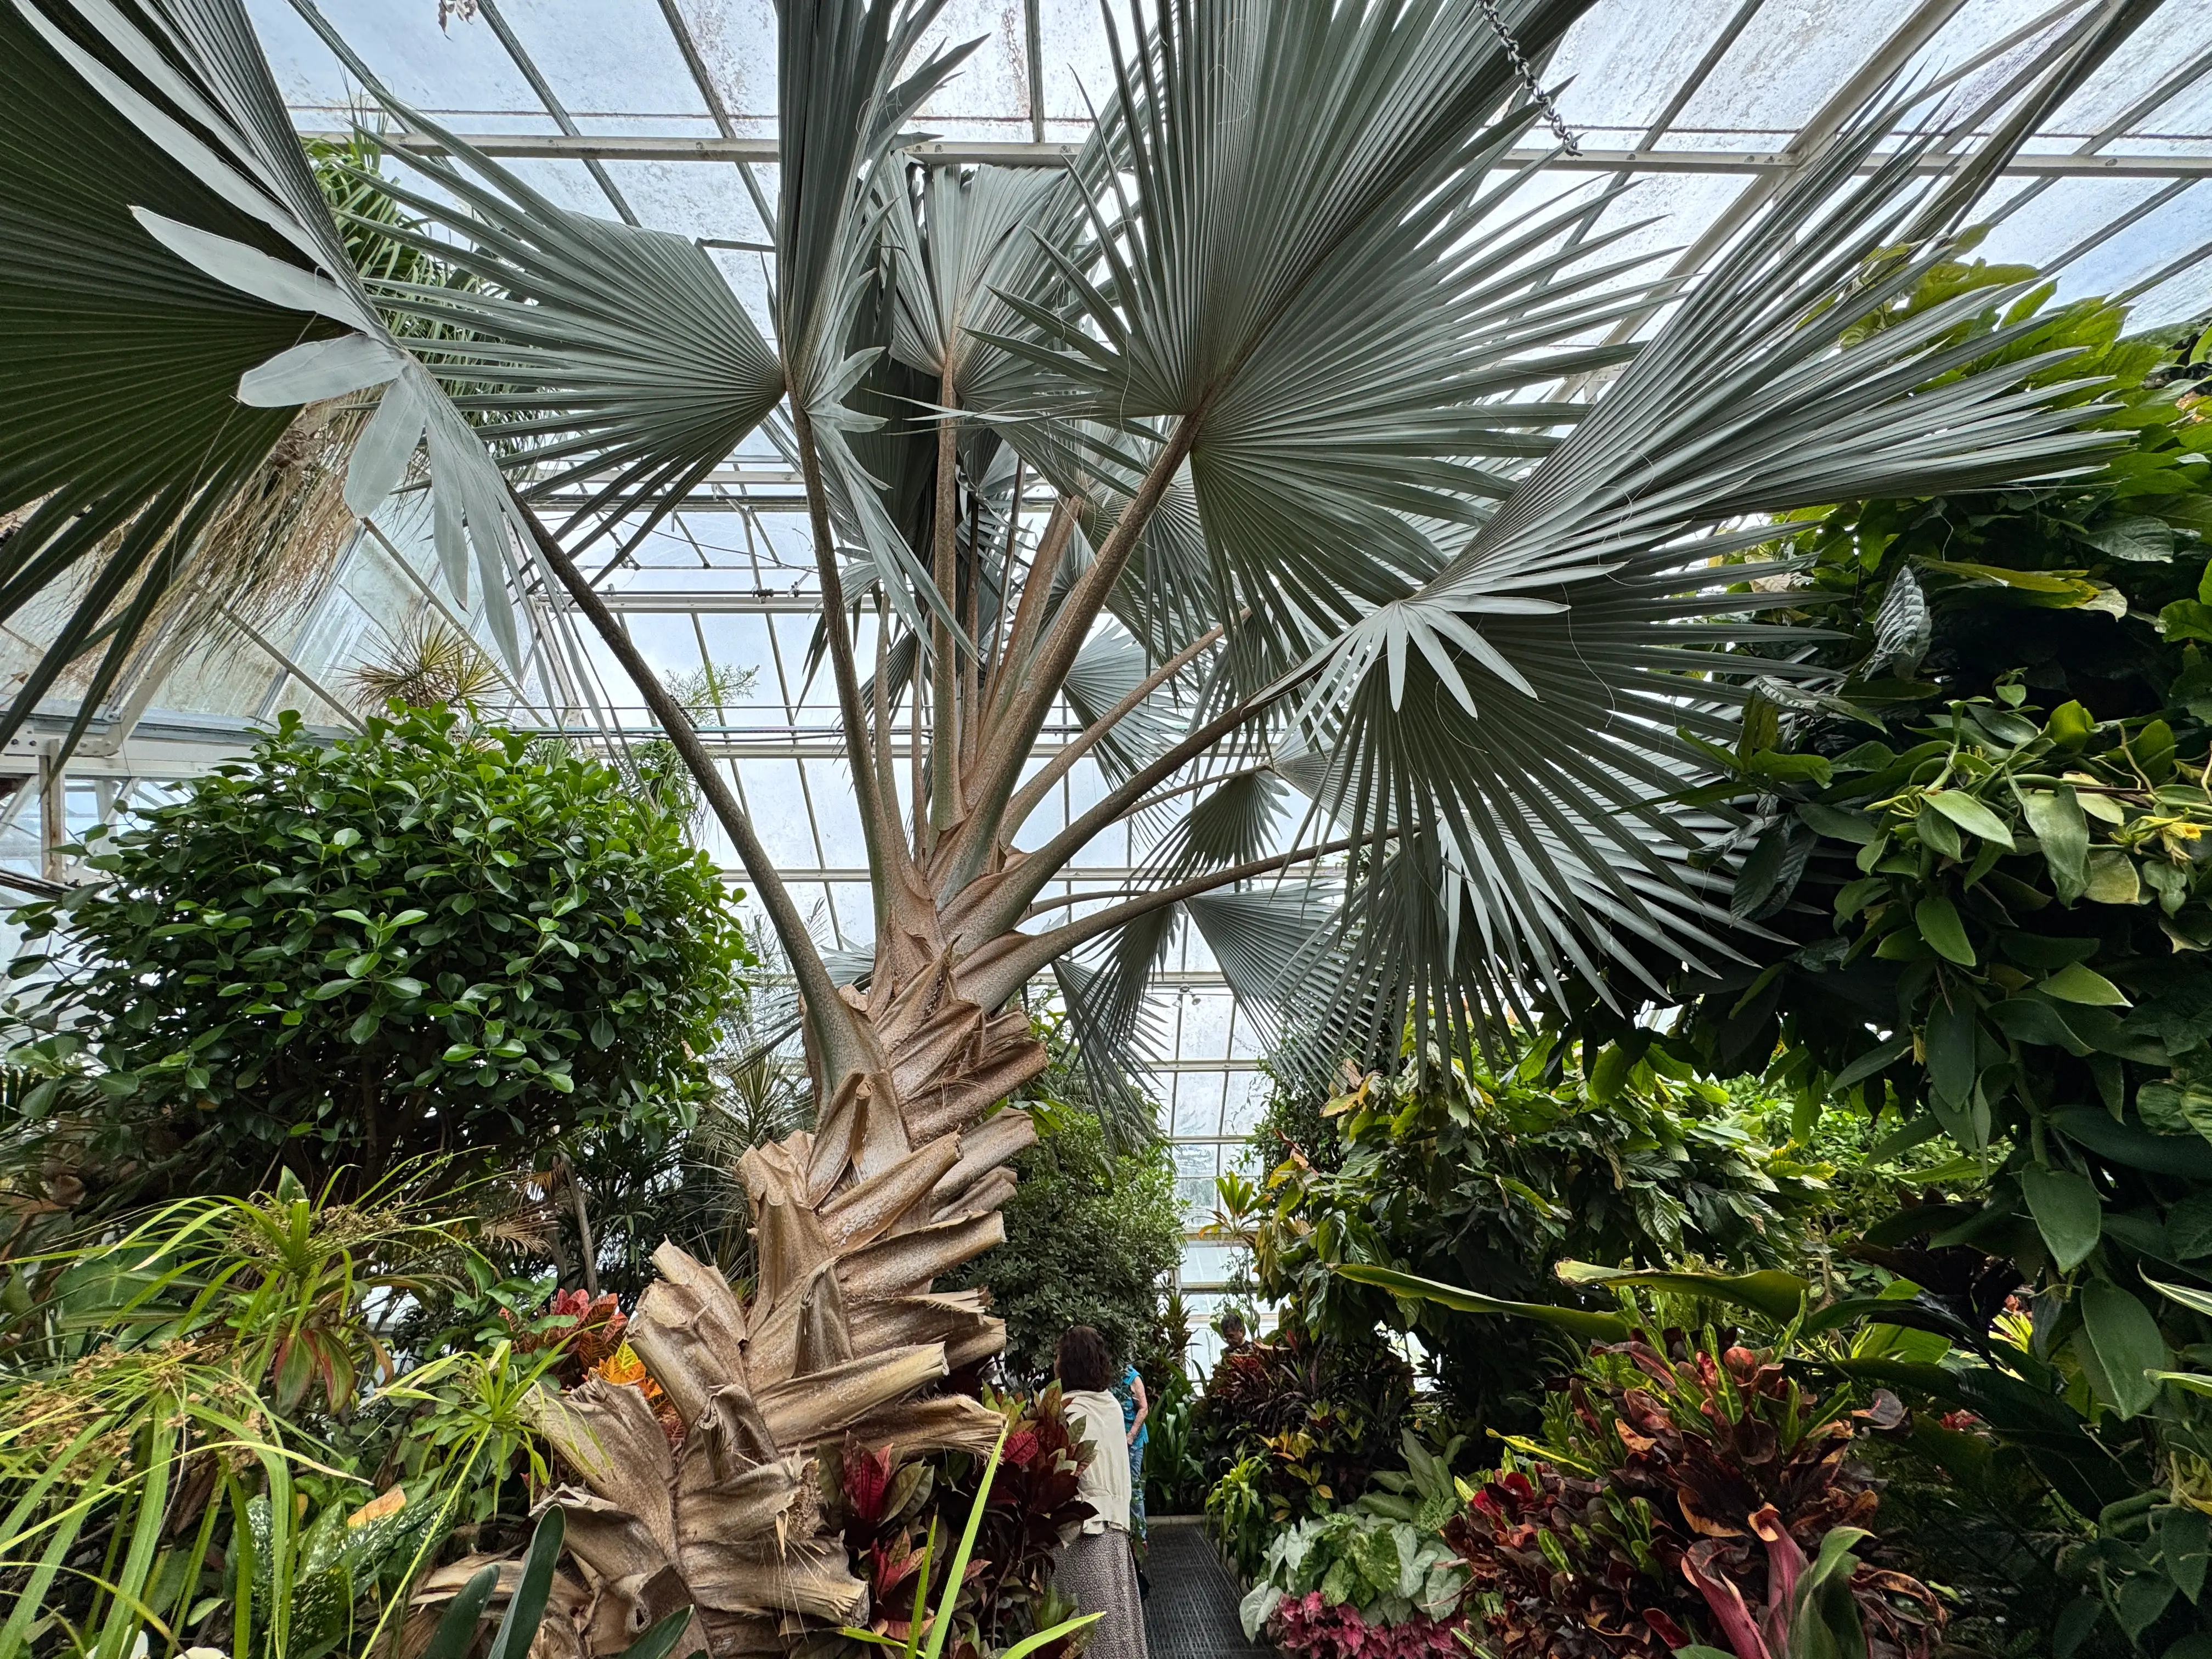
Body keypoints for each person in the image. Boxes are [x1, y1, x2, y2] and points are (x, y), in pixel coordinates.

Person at [1054, 1325, 1149, 1659]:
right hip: (1115, 1535)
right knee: (1118, 1630)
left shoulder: (1066, 1411)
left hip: (1080, 1537)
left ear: (1068, 1365)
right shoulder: (1109, 1406)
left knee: (1083, 1636)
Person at [1110, 1356, 1150, 1544]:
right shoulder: (1108, 1377)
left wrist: (1131, 1436)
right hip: (1113, 1440)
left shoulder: (1133, 1378)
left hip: (1132, 1440)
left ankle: (1140, 1538)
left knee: (1133, 1487)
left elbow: (1143, 1409)